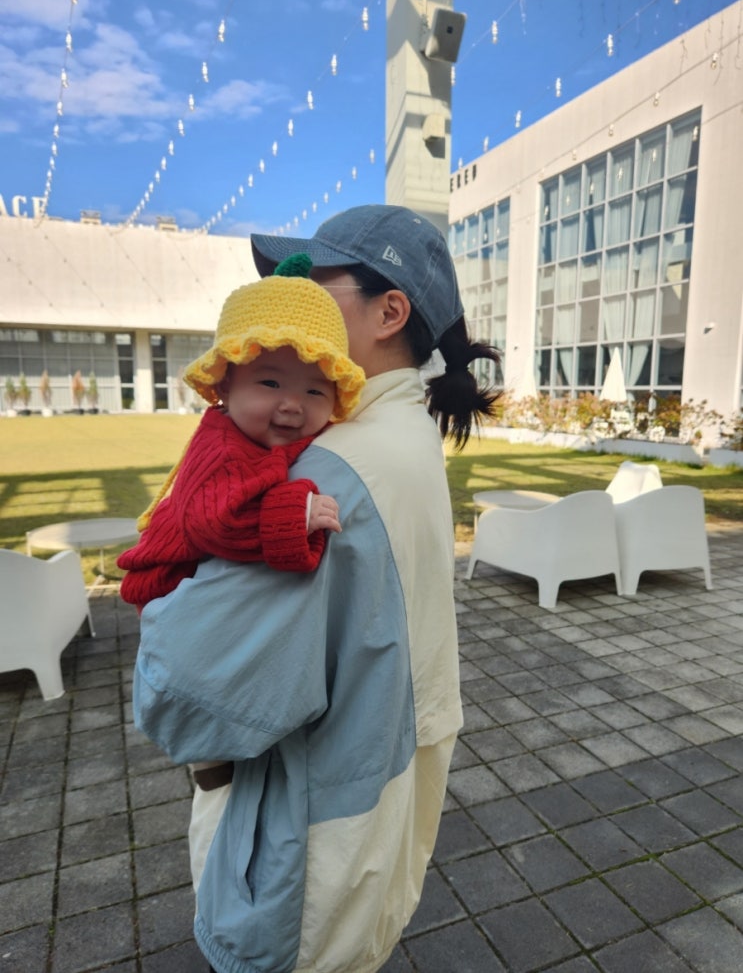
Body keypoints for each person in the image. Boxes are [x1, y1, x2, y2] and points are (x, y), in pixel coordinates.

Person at [133, 204, 500, 973]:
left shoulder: (326, 471)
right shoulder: (405, 433)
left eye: (313, 280)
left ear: (388, 312)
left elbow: (182, 690)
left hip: (306, 840)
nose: (289, 297)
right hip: (372, 802)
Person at [118, 253, 365, 612]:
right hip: (168, 587)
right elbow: (213, 522)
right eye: (270, 383)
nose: (293, 404)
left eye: (315, 391)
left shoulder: (270, 431)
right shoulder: (221, 449)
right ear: (225, 385)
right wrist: (294, 514)